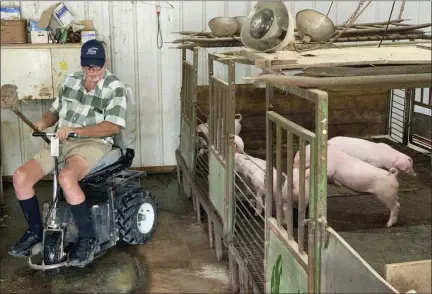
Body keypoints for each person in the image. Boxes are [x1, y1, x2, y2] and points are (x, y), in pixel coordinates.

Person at [8, 39, 128, 267]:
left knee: (66, 177)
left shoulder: (115, 87)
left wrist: (76, 130)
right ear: (82, 63)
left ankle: (88, 238)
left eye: (97, 66)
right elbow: (54, 111)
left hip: (93, 142)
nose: (92, 72)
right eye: (87, 66)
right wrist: (43, 122)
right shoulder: (71, 80)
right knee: (20, 177)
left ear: (105, 63)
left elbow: (113, 126)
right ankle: (35, 231)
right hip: (60, 140)